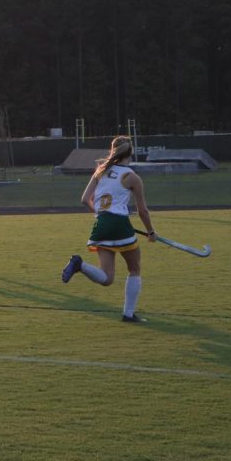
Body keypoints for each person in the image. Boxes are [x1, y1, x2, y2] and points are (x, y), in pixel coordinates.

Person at [61, 135, 156, 323]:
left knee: (107, 278)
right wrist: (151, 232)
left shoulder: (100, 170)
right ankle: (128, 314)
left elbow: (84, 199)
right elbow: (142, 211)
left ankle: (80, 264)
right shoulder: (132, 177)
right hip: (120, 225)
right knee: (134, 269)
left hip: (101, 224)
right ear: (131, 152)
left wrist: (101, 216)